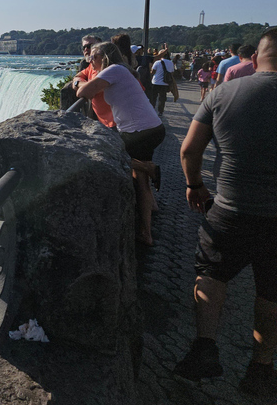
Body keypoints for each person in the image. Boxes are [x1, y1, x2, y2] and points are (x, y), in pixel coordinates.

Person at [174, 28, 277, 398]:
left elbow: (189, 150)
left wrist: (194, 185)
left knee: (212, 273)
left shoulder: (223, 93)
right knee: (271, 292)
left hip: (230, 208)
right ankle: (261, 369)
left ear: (254, 58)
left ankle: (204, 349)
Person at [75, 42, 164, 246]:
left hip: (139, 132)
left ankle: (146, 231)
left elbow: (83, 93)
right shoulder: (122, 71)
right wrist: (82, 77)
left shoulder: (113, 71)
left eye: (93, 57)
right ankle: (148, 220)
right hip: (150, 128)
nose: (90, 61)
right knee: (141, 181)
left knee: (106, 155)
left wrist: (77, 81)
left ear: (104, 57)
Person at [150, 47, 174, 116]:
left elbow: (152, 72)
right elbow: (172, 73)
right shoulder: (170, 63)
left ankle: (152, 109)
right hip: (165, 83)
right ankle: (160, 111)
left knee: (153, 97)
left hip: (155, 82)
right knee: (162, 98)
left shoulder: (157, 62)